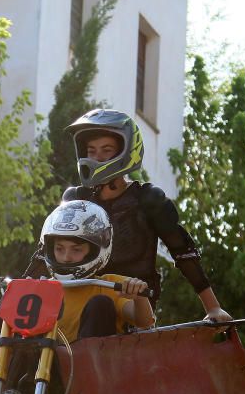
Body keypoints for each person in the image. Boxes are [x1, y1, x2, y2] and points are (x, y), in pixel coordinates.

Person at [57, 109, 232, 323]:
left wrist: (213, 308)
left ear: (125, 150)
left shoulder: (148, 200)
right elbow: (47, 250)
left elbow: (183, 252)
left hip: (134, 313)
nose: (96, 158)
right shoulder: (76, 199)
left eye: (106, 150)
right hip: (80, 307)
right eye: (91, 151)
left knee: (100, 307)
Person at [0, 201, 155, 342]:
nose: (66, 256)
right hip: (41, 371)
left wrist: (138, 297)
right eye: (60, 249)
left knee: (100, 305)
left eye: (76, 249)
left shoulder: (109, 284)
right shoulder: (38, 286)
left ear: (96, 249)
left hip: (92, 375)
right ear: (49, 249)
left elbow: (143, 321)